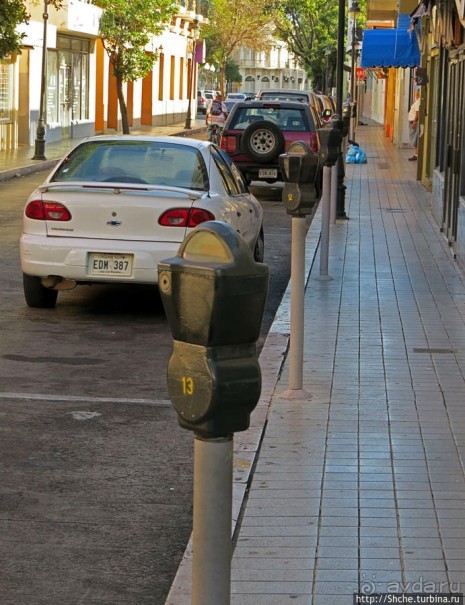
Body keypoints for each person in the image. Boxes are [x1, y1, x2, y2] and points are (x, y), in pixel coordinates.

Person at [408, 90, 420, 161]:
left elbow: (417, 113)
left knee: (415, 139)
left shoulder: (418, 102)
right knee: (414, 139)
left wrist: (415, 122)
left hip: (414, 122)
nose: (415, 95)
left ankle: (416, 154)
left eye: (416, 94)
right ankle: (416, 154)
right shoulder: (417, 101)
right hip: (413, 122)